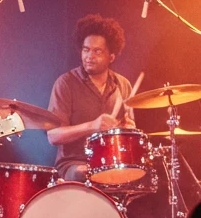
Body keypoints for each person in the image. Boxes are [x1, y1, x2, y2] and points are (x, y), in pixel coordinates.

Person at [46, 14, 136, 182]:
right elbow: (53, 136)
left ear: (111, 57)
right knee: (87, 173)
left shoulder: (123, 85)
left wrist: (127, 130)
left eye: (97, 51)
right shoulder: (66, 83)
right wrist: (92, 126)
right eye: (86, 50)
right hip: (74, 163)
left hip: (112, 162)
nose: (89, 56)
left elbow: (129, 132)